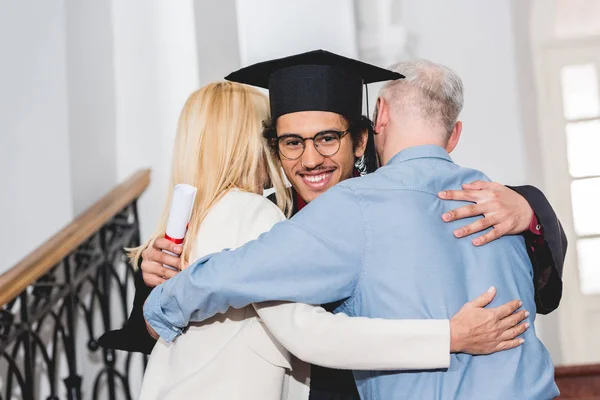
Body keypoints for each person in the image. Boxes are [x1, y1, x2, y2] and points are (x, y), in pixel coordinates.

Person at [99, 50, 566, 399]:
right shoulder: (264, 219)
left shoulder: (398, 203)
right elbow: (182, 320)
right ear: (274, 151)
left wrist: (529, 209)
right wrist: (153, 282)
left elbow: (533, 289)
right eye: (291, 144)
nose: (310, 160)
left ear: (363, 138)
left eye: (327, 138)